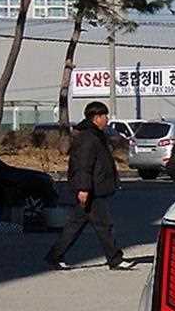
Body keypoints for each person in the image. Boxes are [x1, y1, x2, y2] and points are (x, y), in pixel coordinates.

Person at [45, 101, 135, 270]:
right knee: (104, 226)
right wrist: (84, 189)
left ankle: (55, 255)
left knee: (76, 224)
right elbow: (83, 165)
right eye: (104, 116)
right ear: (96, 118)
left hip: (94, 187)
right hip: (92, 189)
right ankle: (115, 259)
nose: (107, 119)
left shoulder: (95, 135)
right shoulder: (88, 137)